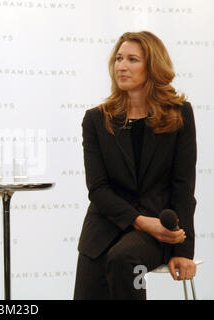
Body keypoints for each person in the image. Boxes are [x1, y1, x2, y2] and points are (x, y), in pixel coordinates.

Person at [73, 31, 197, 300]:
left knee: (124, 258)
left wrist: (183, 251)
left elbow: (183, 187)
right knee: (99, 268)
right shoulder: (96, 120)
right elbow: (98, 189)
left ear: (152, 66)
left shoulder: (179, 115)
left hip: (159, 231)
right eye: (118, 59)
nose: (121, 66)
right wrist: (141, 222)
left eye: (132, 59)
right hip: (106, 227)